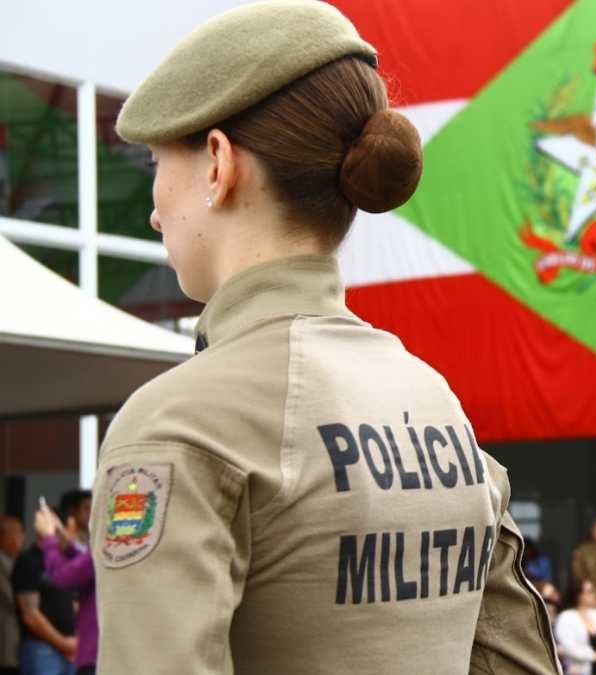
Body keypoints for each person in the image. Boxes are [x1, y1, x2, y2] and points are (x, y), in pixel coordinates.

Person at [88, 2, 558, 673]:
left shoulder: (178, 425)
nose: (156, 208)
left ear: (217, 163)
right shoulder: (433, 401)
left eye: (157, 165)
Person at [34, 493, 96, 675]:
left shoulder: (104, 544)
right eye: (86, 507)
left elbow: (62, 576)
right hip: (89, 652)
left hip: (94, 655)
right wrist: (61, 537)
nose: (90, 513)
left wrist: (49, 537)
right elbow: (86, 563)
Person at [13, 498, 77, 675]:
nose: (72, 538)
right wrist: (63, 644)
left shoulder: (65, 561)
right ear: (55, 529)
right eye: (70, 531)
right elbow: (30, 614)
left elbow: (72, 603)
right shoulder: (28, 561)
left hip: (70, 649)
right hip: (41, 650)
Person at [0, 515, 25, 675]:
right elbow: (14, 600)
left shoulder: (11, 561)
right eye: (19, 533)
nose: (23, 538)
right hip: (6, 642)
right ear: (4, 536)